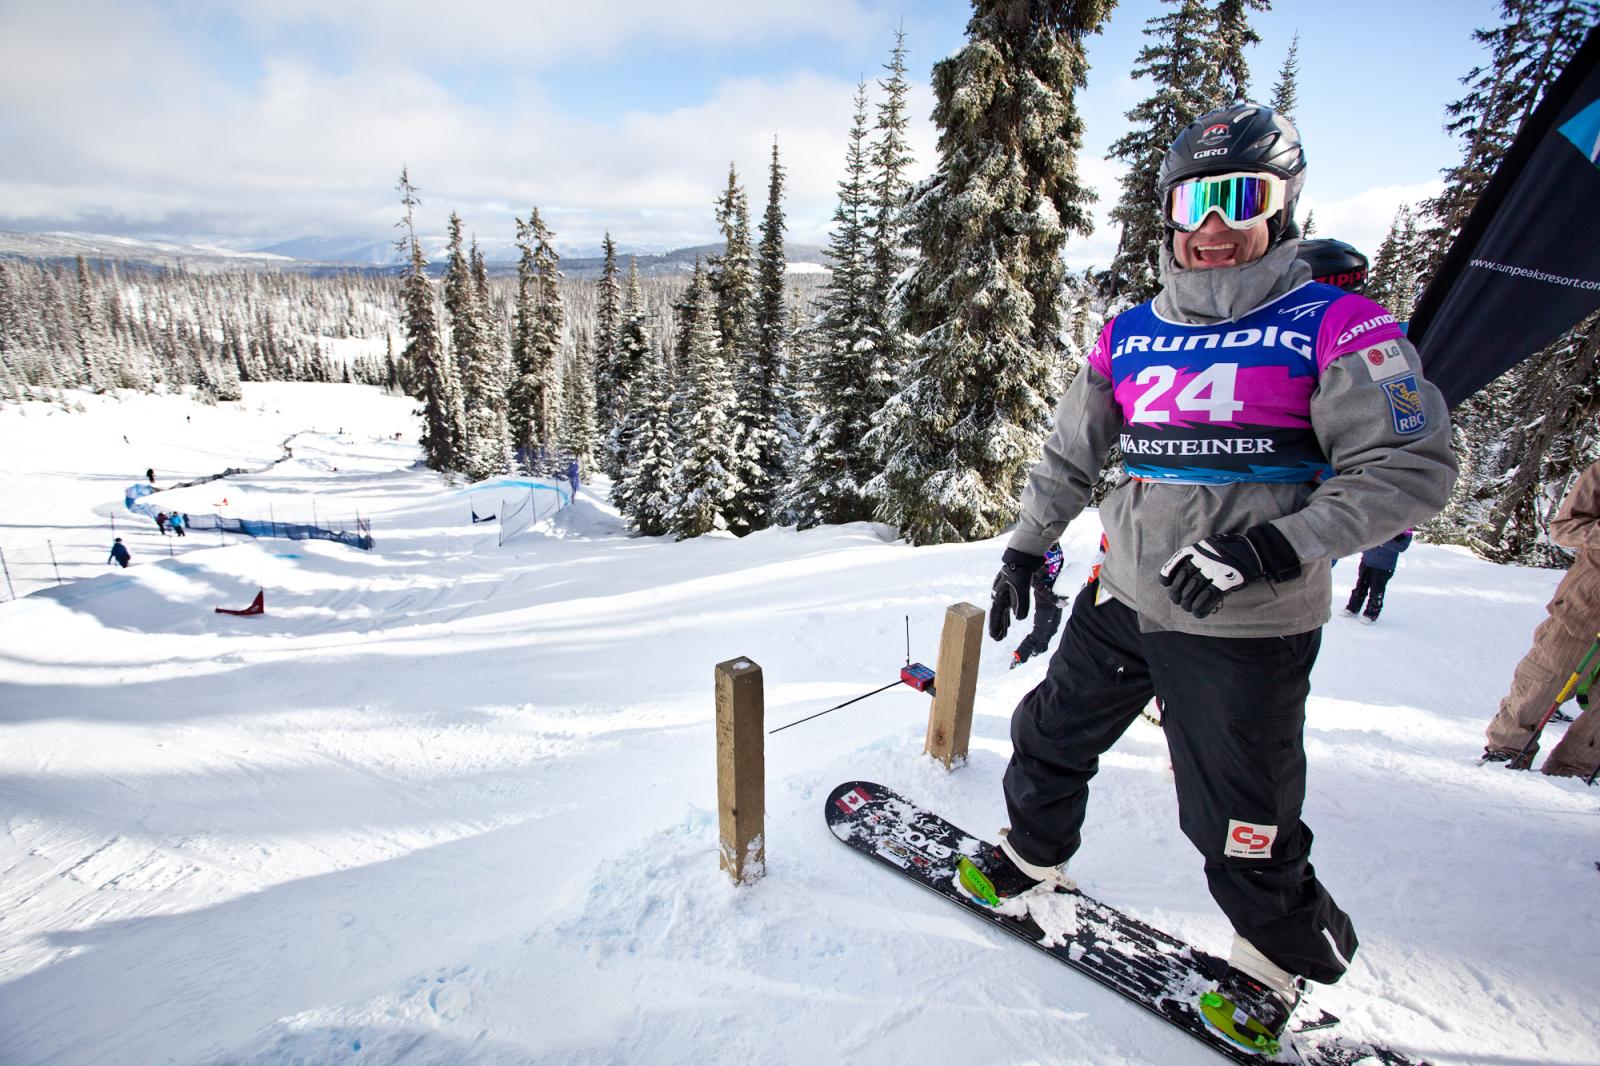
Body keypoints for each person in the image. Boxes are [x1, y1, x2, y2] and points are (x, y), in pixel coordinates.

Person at [975, 103, 1457, 1054]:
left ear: (1283, 207)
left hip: (1248, 622)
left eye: (1243, 196)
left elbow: (1413, 469)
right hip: (1127, 597)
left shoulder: (1341, 326)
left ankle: (1277, 964)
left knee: (1241, 817)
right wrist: (1026, 545)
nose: (1214, 222)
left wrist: (1275, 546)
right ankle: (1035, 859)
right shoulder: (1132, 333)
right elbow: (1070, 457)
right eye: (1195, 198)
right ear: (1167, 211)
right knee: (1049, 734)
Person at [1483, 460, 1600, 776]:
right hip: (1585, 608)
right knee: (1543, 681)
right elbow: (1565, 527)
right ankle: (1506, 751)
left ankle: (1574, 772)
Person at [1011, 543, 1068, 668]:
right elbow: (1034, 581)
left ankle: (1039, 651)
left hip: (1056, 594)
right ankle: (1019, 658)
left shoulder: (1057, 548)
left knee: (1053, 628)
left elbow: (1059, 565)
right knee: (1039, 632)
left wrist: (1065, 586)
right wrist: (1052, 597)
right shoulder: (1041, 551)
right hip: (1044, 598)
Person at [1343, 529, 1413, 624]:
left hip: (1384, 566)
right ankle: (1352, 608)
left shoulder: (1405, 527)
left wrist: (1381, 541)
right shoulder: (1380, 518)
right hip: (1367, 561)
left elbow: (1401, 546)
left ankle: (1371, 614)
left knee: (1377, 591)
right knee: (1360, 586)